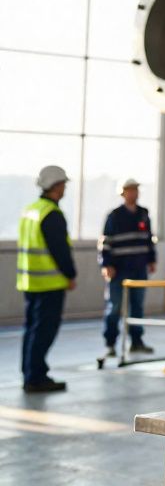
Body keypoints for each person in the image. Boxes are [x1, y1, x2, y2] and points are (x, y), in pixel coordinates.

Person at [17, 165, 77, 393]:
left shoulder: (31, 210)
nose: (64, 189)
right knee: (43, 331)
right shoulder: (51, 214)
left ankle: (31, 373)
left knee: (31, 329)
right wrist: (70, 275)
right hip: (49, 284)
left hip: (30, 282)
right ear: (55, 186)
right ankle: (36, 377)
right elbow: (59, 250)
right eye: (63, 185)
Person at [99, 178, 157, 358]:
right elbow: (106, 243)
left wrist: (151, 259)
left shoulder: (143, 214)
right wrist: (107, 265)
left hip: (139, 268)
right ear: (123, 193)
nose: (134, 193)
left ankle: (136, 341)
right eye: (130, 190)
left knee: (137, 306)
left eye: (136, 190)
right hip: (119, 270)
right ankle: (110, 344)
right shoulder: (114, 216)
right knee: (115, 307)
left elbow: (148, 239)